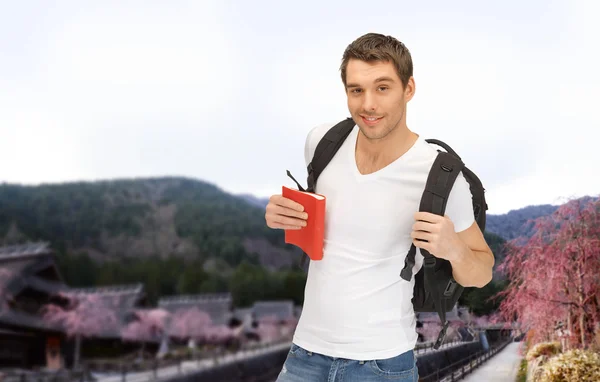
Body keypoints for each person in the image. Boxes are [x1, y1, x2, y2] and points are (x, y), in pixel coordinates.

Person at [264, 32, 495, 382]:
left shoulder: (441, 176)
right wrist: (282, 214)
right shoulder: (323, 143)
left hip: (382, 365)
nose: (367, 104)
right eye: (356, 90)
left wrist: (454, 249)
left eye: (382, 88)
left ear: (409, 89)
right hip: (304, 355)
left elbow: (483, 270)